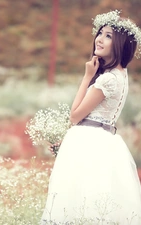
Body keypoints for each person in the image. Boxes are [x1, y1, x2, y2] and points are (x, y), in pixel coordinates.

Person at [40, 10, 141, 225]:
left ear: (121, 44)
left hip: (90, 141)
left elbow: (75, 115)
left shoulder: (108, 80)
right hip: (102, 139)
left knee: (80, 199)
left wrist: (87, 76)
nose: (99, 39)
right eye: (100, 33)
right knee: (91, 196)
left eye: (108, 36)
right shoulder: (121, 74)